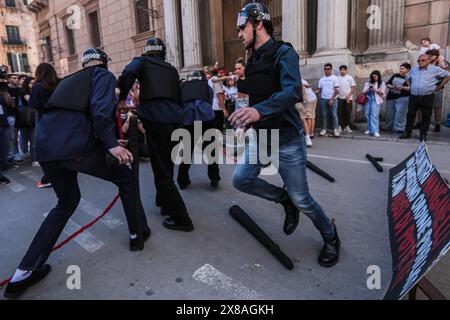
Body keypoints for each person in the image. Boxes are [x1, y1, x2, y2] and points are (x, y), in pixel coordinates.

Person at [3, 48, 150, 299]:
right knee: (124, 177)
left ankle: (22, 274)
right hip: (74, 148)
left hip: (47, 148)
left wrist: (108, 142)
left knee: (66, 202)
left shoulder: (68, 80)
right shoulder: (102, 75)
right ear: (102, 62)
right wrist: (112, 145)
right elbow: (99, 110)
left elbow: (72, 116)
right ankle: (137, 234)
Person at [230, 3, 340, 268]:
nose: (238, 33)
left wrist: (258, 112)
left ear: (258, 24)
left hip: (288, 140)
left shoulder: (284, 52)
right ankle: (283, 199)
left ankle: (331, 235)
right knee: (241, 180)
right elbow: (260, 92)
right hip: (261, 138)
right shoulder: (253, 59)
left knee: (303, 198)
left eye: (242, 27)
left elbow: (292, 93)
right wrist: (247, 114)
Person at [118, 37, 194, 231]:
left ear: (147, 50)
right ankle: (164, 204)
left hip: (157, 121)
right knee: (166, 166)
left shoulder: (142, 61)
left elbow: (127, 73)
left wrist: (120, 98)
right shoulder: (171, 69)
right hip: (176, 122)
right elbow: (178, 96)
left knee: (162, 173)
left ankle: (182, 219)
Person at [177, 70, 221, 189]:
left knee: (187, 151)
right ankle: (214, 178)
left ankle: (182, 180)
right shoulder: (207, 88)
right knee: (211, 150)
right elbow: (210, 102)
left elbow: (180, 103)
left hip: (188, 120)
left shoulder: (183, 87)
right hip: (206, 118)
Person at [400, 54, 450, 141]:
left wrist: (439, 86)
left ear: (428, 60)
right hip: (414, 96)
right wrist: (411, 87)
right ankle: (407, 132)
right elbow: (407, 78)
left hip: (427, 96)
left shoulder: (435, 69)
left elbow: (448, 75)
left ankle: (423, 134)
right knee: (410, 115)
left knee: (426, 116)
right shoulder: (414, 70)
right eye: (418, 61)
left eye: (422, 60)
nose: (420, 62)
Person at [29, 63, 59, 188]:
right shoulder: (59, 84)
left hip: (44, 120)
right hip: (59, 119)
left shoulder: (38, 86)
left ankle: (48, 177)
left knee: (42, 148)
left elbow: (34, 104)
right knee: (58, 146)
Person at [383, 63, 411, 134]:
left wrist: (402, 87)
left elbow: (411, 88)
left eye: (403, 68)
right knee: (389, 113)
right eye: (400, 68)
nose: (401, 70)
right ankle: (388, 126)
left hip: (403, 98)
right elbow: (387, 84)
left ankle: (399, 128)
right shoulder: (395, 75)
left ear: (407, 69)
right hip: (391, 97)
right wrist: (392, 86)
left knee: (400, 113)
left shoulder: (409, 77)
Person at [316, 63, 340, 137]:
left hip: (333, 99)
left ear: (331, 69)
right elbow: (319, 90)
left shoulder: (334, 78)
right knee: (323, 114)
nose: (326, 70)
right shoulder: (322, 79)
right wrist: (313, 91)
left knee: (334, 114)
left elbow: (337, 90)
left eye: (328, 69)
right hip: (323, 99)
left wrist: (332, 99)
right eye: (325, 69)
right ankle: (324, 129)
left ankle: (335, 129)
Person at [362, 70, 386, 138]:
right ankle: (370, 129)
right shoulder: (368, 83)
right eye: (373, 76)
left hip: (376, 100)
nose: (374, 77)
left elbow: (383, 94)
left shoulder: (381, 83)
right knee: (367, 114)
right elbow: (363, 92)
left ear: (378, 76)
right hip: (368, 100)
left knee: (374, 116)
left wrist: (376, 90)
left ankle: (375, 131)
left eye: (375, 76)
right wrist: (368, 90)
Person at [296, 79, 317, 147]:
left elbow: (302, 86)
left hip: (309, 99)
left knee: (307, 117)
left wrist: (304, 97)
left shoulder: (298, 79)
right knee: (309, 117)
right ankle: (310, 134)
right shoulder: (301, 79)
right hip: (310, 99)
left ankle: (308, 136)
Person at [7, 74, 23, 163]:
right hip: (10, 115)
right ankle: (13, 154)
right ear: (9, 79)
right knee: (13, 136)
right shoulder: (5, 90)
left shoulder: (20, 90)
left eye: (17, 78)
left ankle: (16, 153)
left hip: (20, 115)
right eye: (14, 78)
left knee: (17, 136)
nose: (16, 79)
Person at [337, 65, 356, 134]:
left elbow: (353, 87)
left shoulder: (349, 77)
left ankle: (347, 126)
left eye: (344, 70)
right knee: (339, 112)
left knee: (348, 112)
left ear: (346, 70)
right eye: (341, 70)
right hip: (340, 97)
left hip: (348, 98)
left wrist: (349, 95)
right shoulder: (337, 78)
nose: (342, 71)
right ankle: (339, 126)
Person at [0, 83, 10, 184]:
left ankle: (3, 166)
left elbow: (11, 104)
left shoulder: (2, 94)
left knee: (5, 148)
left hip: (3, 124)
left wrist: (6, 95)